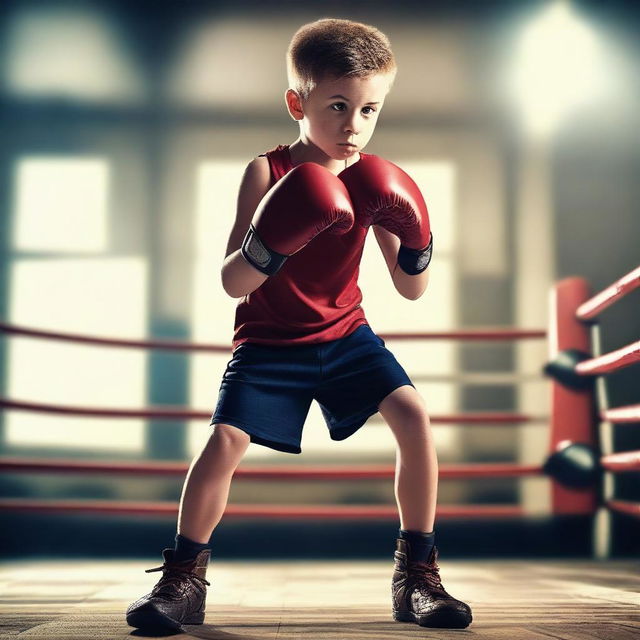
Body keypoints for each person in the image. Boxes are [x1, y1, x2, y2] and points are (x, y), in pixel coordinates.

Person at [126, 17, 473, 631]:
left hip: (346, 336)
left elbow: (411, 288)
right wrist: (277, 238)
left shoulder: (373, 183)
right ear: (298, 102)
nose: (353, 125)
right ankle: (183, 581)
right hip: (268, 341)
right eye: (338, 105)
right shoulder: (268, 171)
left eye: (369, 109)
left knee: (414, 416)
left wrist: (417, 236)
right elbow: (234, 281)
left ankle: (418, 577)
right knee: (225, 441)